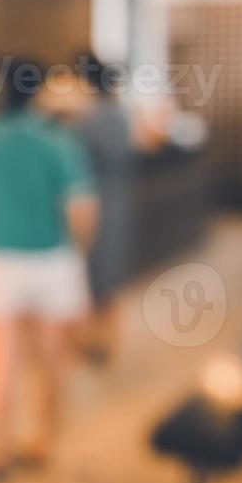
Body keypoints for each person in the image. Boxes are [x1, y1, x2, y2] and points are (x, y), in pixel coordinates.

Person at [0, 57, 99, 482]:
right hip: (51, 259)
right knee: (52, 355)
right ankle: (43, 441)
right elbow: (83, 211)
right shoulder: (60, 143)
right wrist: (80, 255)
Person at [72, 55, 136, 365]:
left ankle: (94, 340)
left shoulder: (89, 119)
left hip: (94, 201)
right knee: (109, 273)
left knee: (92, 272)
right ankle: (106, 339)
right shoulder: (119, 114)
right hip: (116, 199)